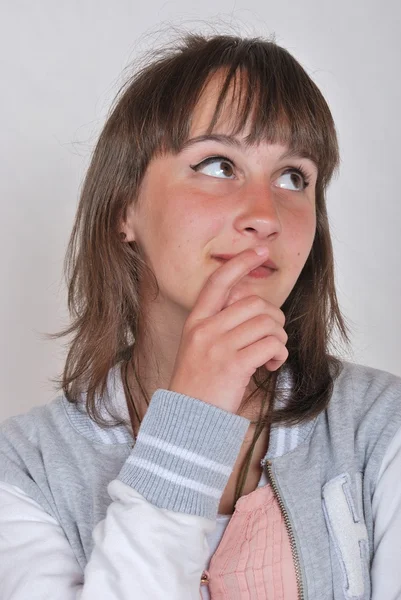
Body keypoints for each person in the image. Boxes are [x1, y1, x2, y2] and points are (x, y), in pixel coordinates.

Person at [0, 31, 400, 600]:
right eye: (218, 164)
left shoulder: (384, 429)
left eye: (294, 177)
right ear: (124, 209)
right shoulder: (22, 471)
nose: (266, 216)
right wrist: (192, 423)